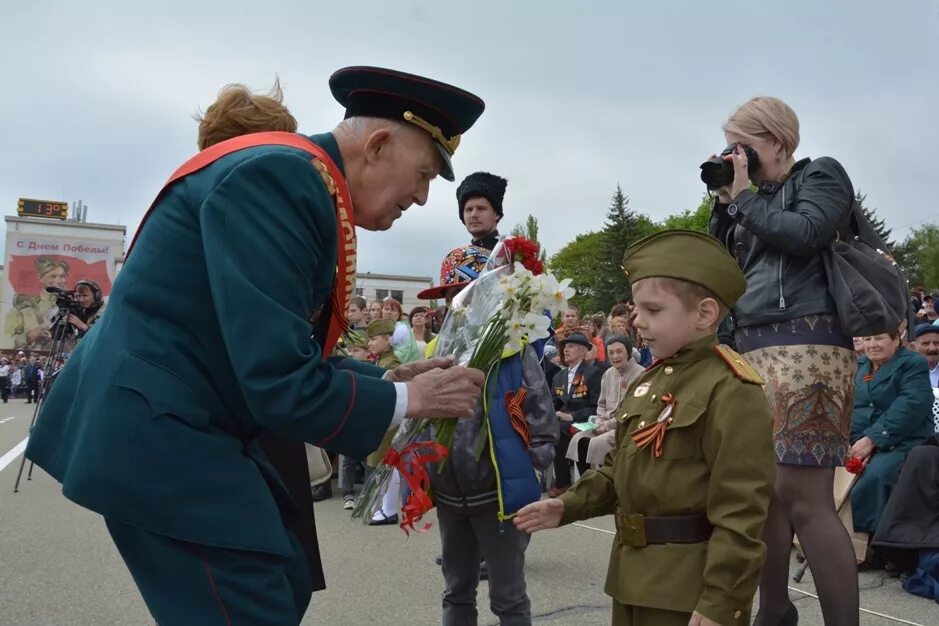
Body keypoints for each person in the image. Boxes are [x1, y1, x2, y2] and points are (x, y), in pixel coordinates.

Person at [25, 66, 487, 625]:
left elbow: (272, 345)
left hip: (184, 418)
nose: (420, 197)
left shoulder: (299, 181)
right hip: (163, 430)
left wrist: (391, 381)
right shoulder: (282, 178)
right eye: (422, 175)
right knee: (252, 603)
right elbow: (277, 377)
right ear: (378, 145)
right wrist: (414, 402)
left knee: (280, 577)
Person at [515, 230, 776, 626]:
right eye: (637, 309)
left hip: (688, 591)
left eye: (653, 310)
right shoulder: (647, 383)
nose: (637, 321)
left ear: (704, 314)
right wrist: (565, 505)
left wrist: (721, 600)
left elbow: (742, 510)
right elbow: (620, 467)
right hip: (632, 578)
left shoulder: (730, 388)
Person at [708, 96, 860, 625]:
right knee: (765, 494)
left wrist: (746, 196)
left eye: (742, 146)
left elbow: (807, 234)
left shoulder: (821, 175)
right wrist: (726, 201)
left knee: (804, 497)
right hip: (749, 346)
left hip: (809, 343)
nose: (735, 156)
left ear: (775, 141)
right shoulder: (745, 198)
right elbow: (722, 269)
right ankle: (774, 613)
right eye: (729, 147)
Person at [417, 245, 557, 625]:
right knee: (456, 591)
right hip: (449, 492)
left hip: (498, 495)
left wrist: (528, 472)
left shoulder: (512, 349)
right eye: (448, 297)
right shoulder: (439, 348)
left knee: (507, 597)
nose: (453, 305)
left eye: (459, 295)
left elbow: (542, 419)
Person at [850, 331, 934, 539]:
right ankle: (836, 539)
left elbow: (910, 405)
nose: (872, 344)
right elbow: (856, 407)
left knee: (879, 473)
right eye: (868, 338)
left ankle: (874, 540)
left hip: (906, 439)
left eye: (879, 338)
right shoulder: (860, 365)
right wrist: (854, 440)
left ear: (896, 340)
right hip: (862, 438)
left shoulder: (912, 364)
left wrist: (872, 440)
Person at [566, 335, 644, 475]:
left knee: (597, 443)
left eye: (619, 351)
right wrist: (601, 421)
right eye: (611, 353)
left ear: (628, 352)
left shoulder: (641, 375)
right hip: (604, 423)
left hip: (626, 426)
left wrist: (607, 426)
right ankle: (586, 482)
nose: (615, 356)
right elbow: (601, 404)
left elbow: (633, 410)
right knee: (578, 439)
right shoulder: (608, 373)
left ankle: (606, 483)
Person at [549, 332, 602, 496]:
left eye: (570, 346)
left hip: (585, 420)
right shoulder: (559, 376)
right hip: (562, 421)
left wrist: (572, 416)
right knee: (551, 428)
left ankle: (564, 482)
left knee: (562, 430)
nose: (565, 350)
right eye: (565, 346)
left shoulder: (593, 373)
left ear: (582, 351)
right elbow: (553, 403)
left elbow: (596, 407)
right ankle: (557, 481)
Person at [4, 257, 70, 351]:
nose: (59, 281)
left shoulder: (73, 306)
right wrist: (28, 337)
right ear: (40, 278)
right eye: (53, 276)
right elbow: (5, 341)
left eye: (62, 276)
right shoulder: (24, 308)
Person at [457, 171, 506, 252]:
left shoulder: (513, 253)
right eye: (469, 210)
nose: (473, 214)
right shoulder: (458, 258)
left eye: (481, 208)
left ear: (496, 213)